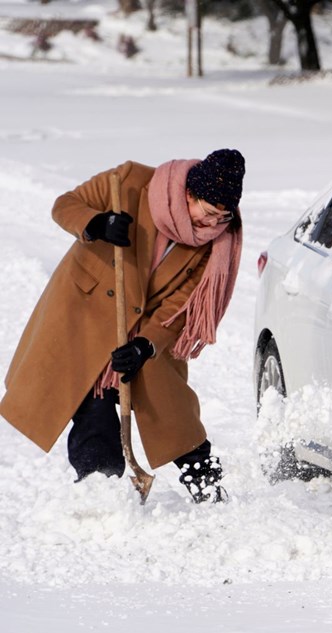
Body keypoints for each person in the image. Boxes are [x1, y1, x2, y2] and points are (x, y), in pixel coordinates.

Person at [0, 149, 246, 503]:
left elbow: (182, 305)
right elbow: (65, 205)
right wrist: (95, 224)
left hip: (146, 329)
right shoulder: (130, 182)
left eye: (223, 217)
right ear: (188, 194)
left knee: (170, 411)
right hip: (88, 314)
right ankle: (102, 490)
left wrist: (146, 344)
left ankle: (206, 484)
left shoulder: (215, 242)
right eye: (208, 212)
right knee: (92, 403)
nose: (214, 224)